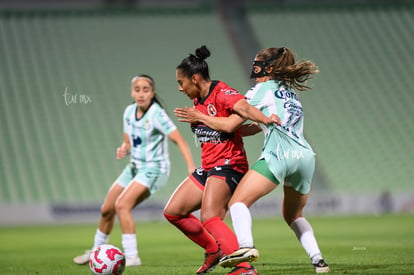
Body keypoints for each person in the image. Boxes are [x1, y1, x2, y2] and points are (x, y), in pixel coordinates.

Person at [175, 47, 330, 273]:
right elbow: (247, 128)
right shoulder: (289, 93)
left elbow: (230, 124)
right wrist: (261, 123)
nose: (253, 68)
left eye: (257, 63)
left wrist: (199, 116)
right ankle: (318, 261)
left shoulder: (260, 90)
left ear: (267, 67)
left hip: (279, 155)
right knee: (294, 215)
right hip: (306, 157)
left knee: (237, 203)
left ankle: (245, 248)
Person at [163, 45, 278, 275]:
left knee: (210, 217)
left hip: (229, 165)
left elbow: (244, 107)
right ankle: (213, 251)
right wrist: (253, 128)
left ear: (194, 79)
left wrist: (266, 120)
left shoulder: (221, 92)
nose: (179, 88)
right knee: (173, 212)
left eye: (181, 82)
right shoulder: (198, 101)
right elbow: (230, 128)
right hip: (209, 167)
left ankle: (244, 268)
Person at [73, 74, 195, 267]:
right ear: (132, 92)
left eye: (145, 90)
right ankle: (95, 251)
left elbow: (179, 140)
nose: (141, 94)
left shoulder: (157, 114)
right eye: (137, 89)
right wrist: (124, 148)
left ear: (152, 93)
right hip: (134, 167)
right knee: (106, 209)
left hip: (154, 169)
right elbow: (128, 141)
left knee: (122, 206)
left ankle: (132, 257)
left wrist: (190, 166)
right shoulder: (129, 111)